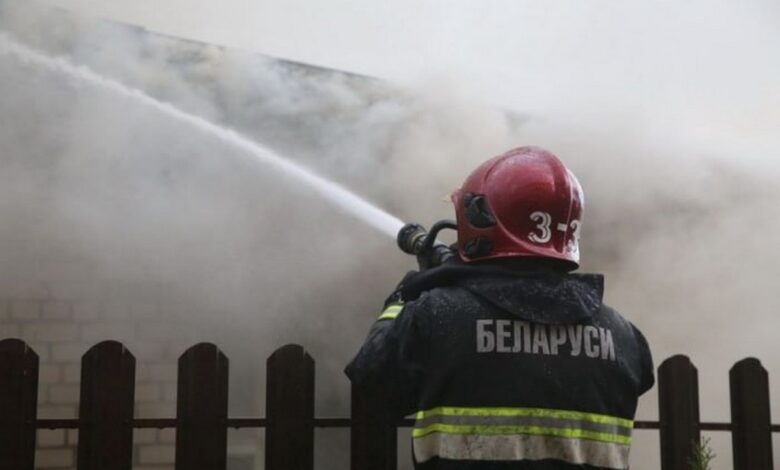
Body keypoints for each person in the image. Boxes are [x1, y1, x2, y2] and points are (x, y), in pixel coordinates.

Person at [345, 146, 654, 469]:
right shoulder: (625, 338)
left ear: (481, 219)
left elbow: (373, 380)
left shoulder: (436, 316)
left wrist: (402, 299)